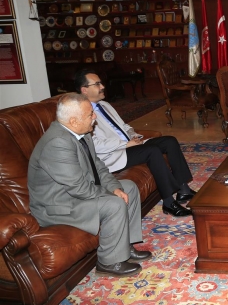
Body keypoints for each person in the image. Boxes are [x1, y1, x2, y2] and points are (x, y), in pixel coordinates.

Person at [28, 94, 151, 277]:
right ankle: (109, 262)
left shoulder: (82, 134)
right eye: (90, 114)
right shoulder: (57, 143)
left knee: (128, 188)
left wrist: (114, 188)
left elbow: (98, 166)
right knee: (114, 203)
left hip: (75, 194)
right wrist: (112, 195)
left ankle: (124, 246)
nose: (94, 117)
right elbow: (79, 189)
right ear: (73, 121)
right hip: (58, 205)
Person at [75, 70, 195, 217]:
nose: (102, 86)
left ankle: (183, 190)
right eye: (97, 84)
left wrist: (134, 136)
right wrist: (124, 144)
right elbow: (94, 144)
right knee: (152, 151)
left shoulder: (104, 105)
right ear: (84, 90)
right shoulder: (82, 114)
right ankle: (169, 202)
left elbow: (123, 126)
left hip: (128, 144)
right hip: (112, 154)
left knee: (170, 141)